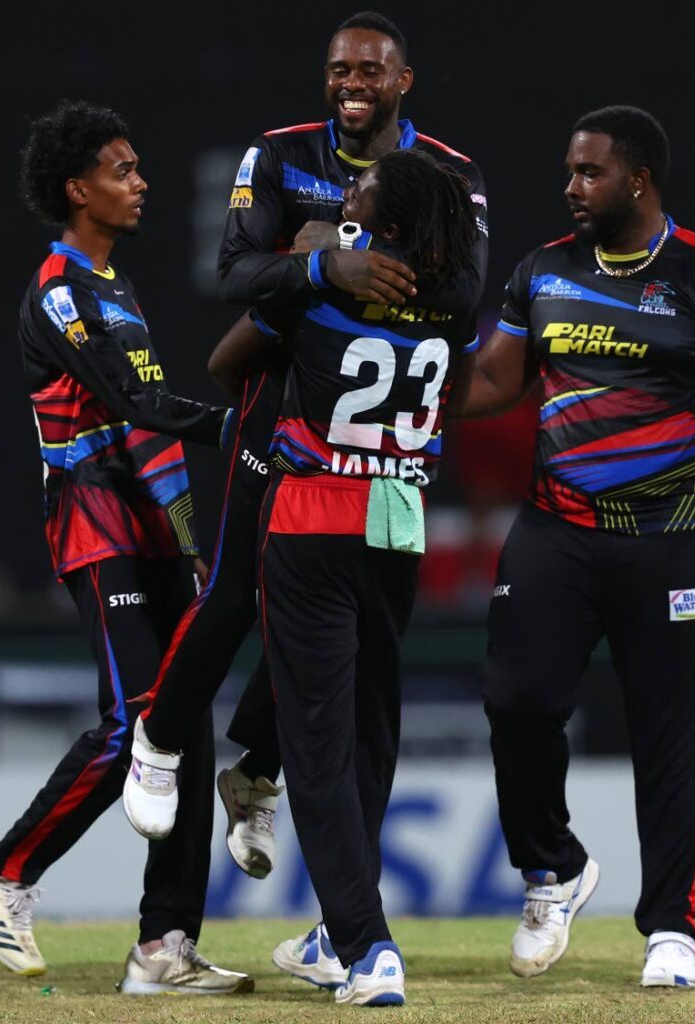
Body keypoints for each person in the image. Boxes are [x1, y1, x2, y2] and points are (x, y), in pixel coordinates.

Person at [122, 8, 487, 879]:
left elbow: (464, 288)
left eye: (370, 71)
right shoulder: (278, 154)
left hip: (378, 429)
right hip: (279, 407)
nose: (351, 84)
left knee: (343, 633)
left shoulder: (453, 173)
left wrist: (331, 252)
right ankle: (161, 741)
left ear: (404, 82)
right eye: (338, 70)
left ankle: (256, 770)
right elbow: (233, 274)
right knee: (243, 596)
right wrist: (329, 265)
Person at [452, 105, 695, 988]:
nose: (570, 188)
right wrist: (395, 369)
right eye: (569, 171)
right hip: (554, 531)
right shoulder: (543, 272)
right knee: (516, 702)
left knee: (667, 735)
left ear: (637, 178)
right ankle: (553, 870)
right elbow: (492, 383)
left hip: (673, 539)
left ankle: (670, 928)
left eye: (588, 173)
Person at [0, 100, 252, 997]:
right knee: (139, 718)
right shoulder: (58, 292)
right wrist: (246, 429)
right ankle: (3, 873)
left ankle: (164, 949)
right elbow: (137, 405)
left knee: (183, 728)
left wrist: (190, 540)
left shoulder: (117, 288)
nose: (141, 181)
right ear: (77, 189)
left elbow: (150, 438)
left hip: (152, 528)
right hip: (94, 524)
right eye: (123, 169)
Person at [209, 147, 478, 1006]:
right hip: (398, 524)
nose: (345, 194)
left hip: (312, 518)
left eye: (360, 192)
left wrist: (308, 269)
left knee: (319, 748)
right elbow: (456, 395)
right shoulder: (456, 304)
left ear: (387, 222)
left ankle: (368, 949)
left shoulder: (318, 290)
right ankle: (338, 933)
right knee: (368, 731)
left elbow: (225, 361)